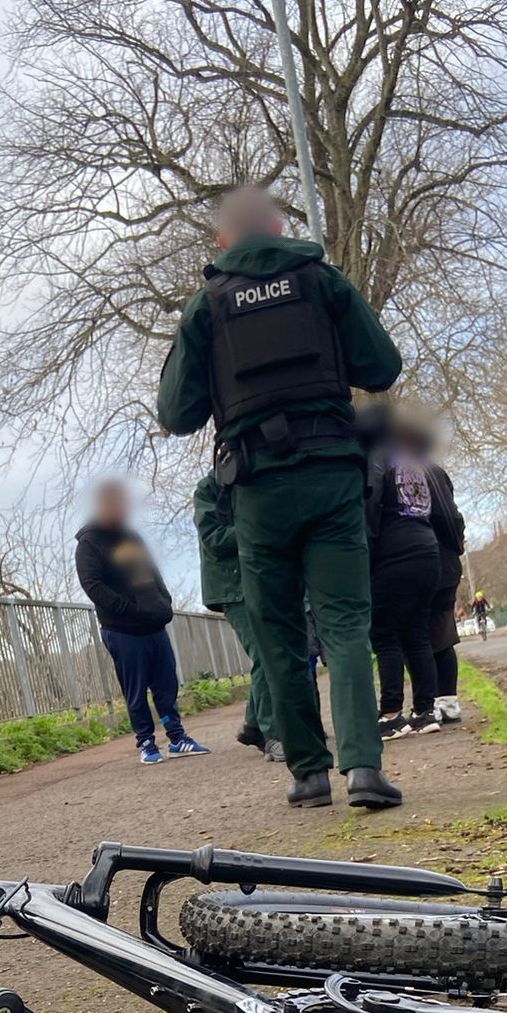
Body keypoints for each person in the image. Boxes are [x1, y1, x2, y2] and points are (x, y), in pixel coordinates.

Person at [157, 184, 403, 812]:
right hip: (331, 476)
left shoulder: (206, 305)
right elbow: (381, 366)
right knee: (346, 625)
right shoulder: (324, 281)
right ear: (277, 225)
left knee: (278, 631)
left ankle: (308, 773)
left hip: (258, 490)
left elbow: (176, 413)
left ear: (223, 239)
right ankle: (364, 770)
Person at [75, 480, 208, 764]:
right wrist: (130, 610)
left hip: (154, 625)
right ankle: (147, 743)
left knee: (166, 684)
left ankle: (177, 737)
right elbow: (94, 586)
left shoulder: (131, 537)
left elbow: (152, 571)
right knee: (135, 689)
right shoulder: (89, 544)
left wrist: (164, 601)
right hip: (122, 630)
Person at [358, 402, 441, 740]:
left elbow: (371, 504)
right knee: (417, 633)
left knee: (386, 635)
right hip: (427, 550)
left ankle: (390, 714)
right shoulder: (411, 460)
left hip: (394, 555)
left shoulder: (376, 457)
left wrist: (366, 548)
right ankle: (425, 711)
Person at [192, 472, 283, 763]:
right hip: (232, 587)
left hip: (260, 580)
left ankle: (254, 725)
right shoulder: (208, 489)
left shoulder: (254, 480)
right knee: (264, 653)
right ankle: (273, 735)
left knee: (269, 651)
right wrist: (257, 527)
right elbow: (214, 539)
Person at [426, 455, 468, 725]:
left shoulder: (389, 470)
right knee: (441, 633)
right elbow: (451, 516)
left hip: (425, 561)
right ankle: (446, 702)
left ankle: (432, 704)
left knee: (423, 636)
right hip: (442, 561)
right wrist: (456, 545)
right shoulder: (433, 472)